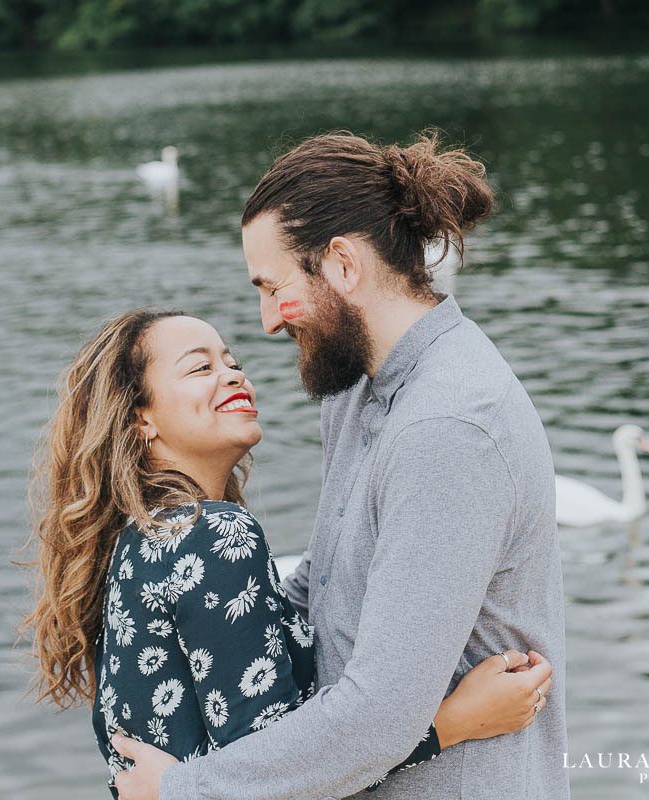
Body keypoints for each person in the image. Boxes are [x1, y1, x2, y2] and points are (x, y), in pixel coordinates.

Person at [109, 131, 569, 800]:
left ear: (343, 266)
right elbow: (320, 596)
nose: (267, 322)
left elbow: (377, 716)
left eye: (273, 287)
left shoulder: (448, 430)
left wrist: (185, 789)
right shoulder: (356, 389)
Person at [19, 308, 555, 798]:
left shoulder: (144, 538)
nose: (233, 374)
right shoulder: (215, 538)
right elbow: (277, 778)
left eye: (232, 361)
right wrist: (453, 722)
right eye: (199, 368)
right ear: (141, 420)